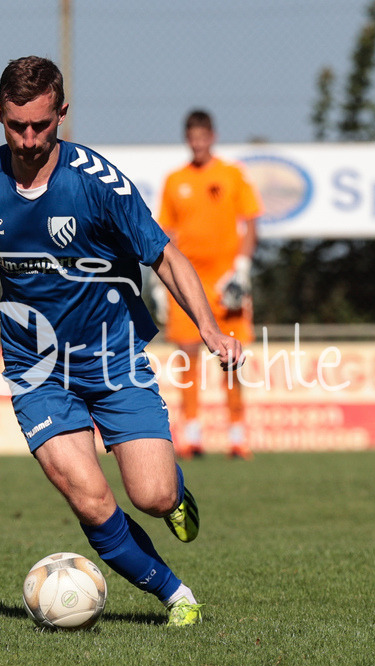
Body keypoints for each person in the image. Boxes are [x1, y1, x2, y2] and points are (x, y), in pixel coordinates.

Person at [0, 56, 242, 627]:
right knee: (89, 497)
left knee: (154, 495)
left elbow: (165, 254)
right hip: (34, 368)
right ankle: (176, 595)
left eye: (42, 125)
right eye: (17, 126)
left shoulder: (98, 183)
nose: (30, 139)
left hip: (113, 356)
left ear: (62, 113)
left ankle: (177, 497)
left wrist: (209, 327)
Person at [156, 110, 264, 461]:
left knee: (231, 358)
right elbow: (165, 234)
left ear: (212, 136)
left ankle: (237, 433)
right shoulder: (175, 180)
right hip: (188, 285)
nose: (198, 142)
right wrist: (160, 284)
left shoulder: (232, 174)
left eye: (203, 136)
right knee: (187, 356)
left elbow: (250, 223)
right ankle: (191, 433)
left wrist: (242, 270)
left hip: (225, 282)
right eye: (193, 136)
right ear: (187, 138)